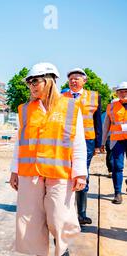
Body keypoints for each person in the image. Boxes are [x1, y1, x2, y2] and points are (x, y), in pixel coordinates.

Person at [9, 63, 87, 256]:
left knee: (58, 218)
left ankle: (61, 246)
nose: (31, 85)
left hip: (59, 173)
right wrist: (14, 170)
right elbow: (19, 144)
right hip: (30, 173)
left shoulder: (70, 107)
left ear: (49, 81)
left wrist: (80, 172)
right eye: (29, 82)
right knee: (32, 220)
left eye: (35, 81)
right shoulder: (25, 109)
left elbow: (78, 143)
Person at [62, 68, 102, 226]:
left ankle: (81, 213)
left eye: (77, 78)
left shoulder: (93, 97)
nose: (73, 81)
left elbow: (98, 121)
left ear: (84, 81)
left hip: (87, 140)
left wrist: (99, 144)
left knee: (82, 171)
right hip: (66, 140)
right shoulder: (61, 97)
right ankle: (66, 209)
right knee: (66, 172)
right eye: (71, 78)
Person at [101, 82, 127, 204]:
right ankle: (118, 193)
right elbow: (106, 125)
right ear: (116, 93)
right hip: (117, 141)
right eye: (120, 91)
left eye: (126, 91)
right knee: (118, 167)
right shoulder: (111, 106)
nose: (123, 93)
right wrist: (102, 142)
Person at [101, 110, 113, 177]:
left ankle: (113, 170)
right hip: (110, 136)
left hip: (121, 136)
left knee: (111, 154)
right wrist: (102, 142)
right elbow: (104, 127)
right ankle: (111, 170)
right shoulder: (107, 113)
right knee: (110, 153)